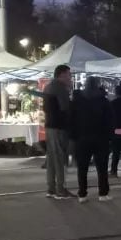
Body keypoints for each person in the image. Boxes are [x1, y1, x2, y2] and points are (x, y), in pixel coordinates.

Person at [70, 77, 115, 202]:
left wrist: (73, 137)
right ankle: (103, 193)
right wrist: (110, 138)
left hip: (82, 138)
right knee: (102, 167)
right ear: (98, 85)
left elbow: (71, 120)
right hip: (101, 139)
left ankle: (82, 194)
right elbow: (110, 121)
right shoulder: (103, 101)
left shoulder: (77, 101)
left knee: (82, 168)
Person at [42, 65, 73, 198]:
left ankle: (51, 188)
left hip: (50, 126)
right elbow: (66, 108)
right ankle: (61, 189)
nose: (70, 77)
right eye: (69, 75)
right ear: (62, 75)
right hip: (59, 127)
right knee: (60, 158)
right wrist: (69, 90)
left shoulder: (48, 86)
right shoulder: (60, 88)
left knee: (51, 158)